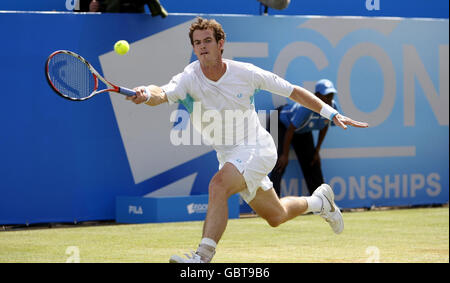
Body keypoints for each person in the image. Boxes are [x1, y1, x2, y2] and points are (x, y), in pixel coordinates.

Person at [126, 17, 369, 263]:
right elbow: (162, 92)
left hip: (256, 148)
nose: (202, 46)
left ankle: (202, 258)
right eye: (197, 42)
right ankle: (319, 201)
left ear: (221, 43)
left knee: (218, 186)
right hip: (229, 156)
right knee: (276, 216)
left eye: (208, 40)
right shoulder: (188, 78)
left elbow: (293, 91)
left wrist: (332, 113)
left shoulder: (246, 73)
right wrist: (146, 93)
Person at [270, 79, 339, 197]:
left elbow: (324, 126)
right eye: (326, 95)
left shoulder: (332, 107)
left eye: (331, 95)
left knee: (313, 161)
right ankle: (273, 203)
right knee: (279, 162)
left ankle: (322, 202)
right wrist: (285, 155)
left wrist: (317, 151)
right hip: (280, 123)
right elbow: (291, 129)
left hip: (301, 129)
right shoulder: (306, 107)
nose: (329, 99)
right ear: (317, 95)